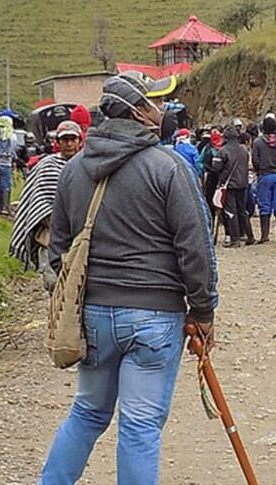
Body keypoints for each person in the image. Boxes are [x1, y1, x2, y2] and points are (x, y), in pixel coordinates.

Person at [42, 73, 218, 485]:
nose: (163, 110)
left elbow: (58, 251)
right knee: (139, 426)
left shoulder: (74, 170)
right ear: (140, 112)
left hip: (94, 318)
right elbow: (195, 247)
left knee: (87, 412)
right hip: (155, 318)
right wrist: (203, 310)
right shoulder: (169, 167)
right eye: (158, 103)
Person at [10, 121, 83, 290]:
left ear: (80, 141)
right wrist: (58, 223)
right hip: (52, 235)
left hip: (81, 235)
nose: (69, 144)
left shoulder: (87, 166)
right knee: (53, 282)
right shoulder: (47, 166)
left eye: (73, 139)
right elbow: (39, 201)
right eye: (65, 140)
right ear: (57, 142)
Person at [252, 116, 276, 243]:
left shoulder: (257, 143)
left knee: (264, 205)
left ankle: (264, 235)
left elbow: (255, 160)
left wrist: (259, 170)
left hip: (264, 176)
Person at [217, 126, 255, 247]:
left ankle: (235, 239)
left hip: (230, 185)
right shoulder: (244, 150)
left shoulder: (223, 150)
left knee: (230, 212)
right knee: (242, 211)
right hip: (243, 184)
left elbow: (215, 167)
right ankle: (250, 236)